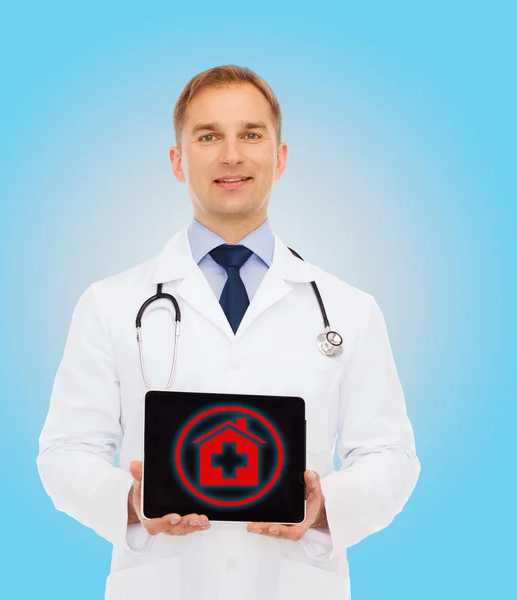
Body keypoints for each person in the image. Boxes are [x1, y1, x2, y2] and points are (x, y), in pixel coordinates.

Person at [37, 65, 420, 600]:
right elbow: (65, 451)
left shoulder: (348, 309)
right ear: (178, 161)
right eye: (209, 136)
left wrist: (326, 505)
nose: (231, 154)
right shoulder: (109, 304)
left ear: (280, 157)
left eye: (251, 134)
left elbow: (391, 457)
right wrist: (132, 500)